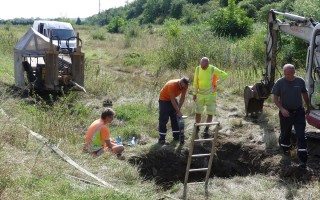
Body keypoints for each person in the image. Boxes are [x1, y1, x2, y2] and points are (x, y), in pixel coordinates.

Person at [271, 64, 310, 168]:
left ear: (294, 72)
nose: (287, 76)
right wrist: (282, 109)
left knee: (301, 135)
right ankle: (285, 151)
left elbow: (305, 95)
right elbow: (275, 99)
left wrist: (308, 107)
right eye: (285, 74)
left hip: (299, 112)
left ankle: (303, 160)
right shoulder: (280, 83)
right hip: (286, 113)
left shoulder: (300, 81)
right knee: (285, 134)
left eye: (290, 74)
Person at [192, 57, 228, 137]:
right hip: (200, 94)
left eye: (204, 66)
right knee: (198, 112)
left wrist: (216, 84)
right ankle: (197, 127)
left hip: (211, 95)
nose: (203, 67)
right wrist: (194, 93)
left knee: (210, 113)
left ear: (208, 64)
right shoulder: (197, 69)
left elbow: (225, 75)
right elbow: (195, 82)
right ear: (200, 63)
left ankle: (206, 129)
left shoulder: (212, 69)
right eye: (202, 65)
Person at [158, 77, 189, 144]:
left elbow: (182, 98)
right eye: (182, 87)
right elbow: (172, 99)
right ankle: (162, 138)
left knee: (175, 118)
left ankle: (176, 136)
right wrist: (178, 111)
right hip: (164, 100)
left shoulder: (185, 86)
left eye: (185, 87)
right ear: (180, 83)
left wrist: (178, 109)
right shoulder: (171, 85)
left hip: (173, 100)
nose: (183, 88)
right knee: (163, 119)